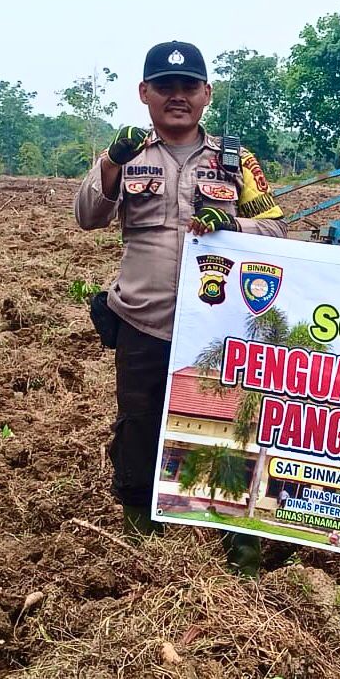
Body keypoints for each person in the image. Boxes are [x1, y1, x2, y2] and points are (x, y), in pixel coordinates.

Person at [74, 41, 287, 564]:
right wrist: (109, 161)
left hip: (218, 326)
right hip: (143, 319)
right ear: (144, 93)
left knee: (226, 429)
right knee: (139, 426)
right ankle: (142, 538)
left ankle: (238, 544)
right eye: (165, 87)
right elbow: (86, 217)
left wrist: (234, 224)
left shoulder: (237, 160)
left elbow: (278, 228)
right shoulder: (128, 156)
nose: (177, 97)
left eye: (188, 87)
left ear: (206, 94)